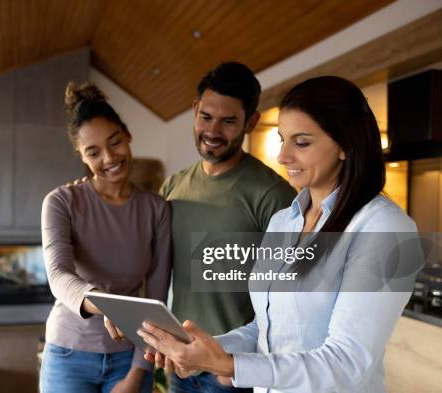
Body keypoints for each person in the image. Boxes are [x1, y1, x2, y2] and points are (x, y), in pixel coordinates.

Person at [137, 76, 421, 393]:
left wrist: (227, 365)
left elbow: (347, 362)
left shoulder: (384, 228)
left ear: (346, 145)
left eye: (301, 142)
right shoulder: (284, 222)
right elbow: (266, 328)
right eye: (282, 140)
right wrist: (202, 347)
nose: (284, 156)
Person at [158, 62, 296, 392]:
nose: (213, 131)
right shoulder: (173, 186)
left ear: (251, 122)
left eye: (228, 121)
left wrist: (238, 362)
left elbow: (291, 296)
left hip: (234, 369)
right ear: (194, 110)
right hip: (182, 362)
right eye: (206, 116)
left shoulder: (273, 195)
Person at [39, 82, 172, 393]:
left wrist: (137, 373)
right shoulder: (61, 202)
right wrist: (108, 304)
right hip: (68, 354)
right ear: (82, 156)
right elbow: (58, 276)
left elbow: (156, 297)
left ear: (128, 135)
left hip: (130, 357)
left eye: (115, 142)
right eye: (93, 152)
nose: (109, 158)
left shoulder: (157, 210)